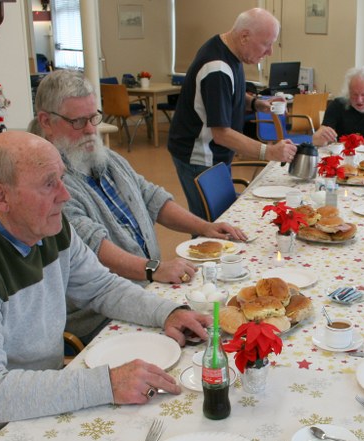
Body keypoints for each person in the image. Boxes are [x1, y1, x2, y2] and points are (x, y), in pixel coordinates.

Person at [0, 131, 211, 441]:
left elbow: (100, 287)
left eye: (62, 178)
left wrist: (168, 312)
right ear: (0, 196)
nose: (65, 195)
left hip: (38, 398)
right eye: (48, 184)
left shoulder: (45, 225)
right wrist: (107, 384)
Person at [32, 69, 245, 341]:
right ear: (46, 122)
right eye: (78, 122)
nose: (90, 130)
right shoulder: (51, 184)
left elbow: (151, 197)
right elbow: (94, 246)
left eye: (94, 117)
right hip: (104, 315)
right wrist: (154, 268)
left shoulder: (103, 157)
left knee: (224, 308)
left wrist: (205, 227)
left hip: (146, 285)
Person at [167, 8, 297, 219]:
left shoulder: (229, 50)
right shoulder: (217, 68)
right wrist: (269, 152)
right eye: (266, 44)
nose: (270, 52)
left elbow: (228, 93)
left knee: (224, 219)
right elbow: (222, 134)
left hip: (214, 154)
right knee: (211, 226)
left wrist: (257, 103)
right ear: (245, 37)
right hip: (200, 157)